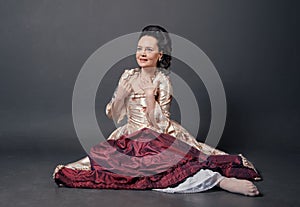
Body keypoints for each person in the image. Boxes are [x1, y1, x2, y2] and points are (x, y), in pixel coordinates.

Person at [53, 25, 261, 196]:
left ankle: (221, 181)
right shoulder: (127, 76)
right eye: (139, 48)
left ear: (160, 54)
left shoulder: (162, 80)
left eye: (149, 49)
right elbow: (114, 114)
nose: (142, 53)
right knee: (91, 167)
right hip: (129, 135)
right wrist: (120, 96)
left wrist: (151, 100)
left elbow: (161, 124)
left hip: (157, 134)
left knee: (175, 166)